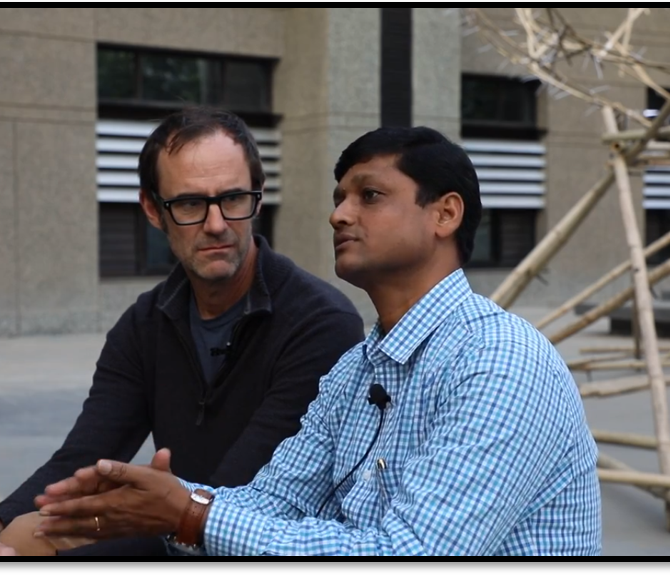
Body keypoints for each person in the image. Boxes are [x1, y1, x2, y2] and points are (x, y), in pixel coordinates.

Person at [30, 126, 603, 556]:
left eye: (369, 195)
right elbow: (276, 501)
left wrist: (190, 513)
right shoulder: (355, 371)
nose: (339, 216)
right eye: (338, 198)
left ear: (445, 214)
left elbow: (414, 550)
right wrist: (161, 500)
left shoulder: (499, 360)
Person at [0, 107, 367, 556]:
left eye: (233, 198)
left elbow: (247, 493)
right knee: (18, 537)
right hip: (170, 524)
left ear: (258, 196)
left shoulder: (319, 322)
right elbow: (84, 455)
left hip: (256, 538)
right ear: (152, 209)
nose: (216, 225)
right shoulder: (146, 323)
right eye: (190, 204)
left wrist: (141, 513)